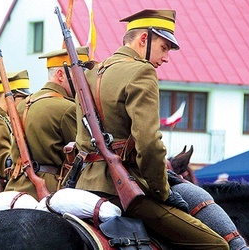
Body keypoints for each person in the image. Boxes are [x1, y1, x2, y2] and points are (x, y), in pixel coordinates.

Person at [74, 9, 229, 249]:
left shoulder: (91, 73)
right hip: (123, 189)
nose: (166, 57)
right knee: (216, 245)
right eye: (164, 47)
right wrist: (162, 191)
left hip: (85, 185)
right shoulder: (141, 71)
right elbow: (149, 143)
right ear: (143, 39)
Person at [4, 47, 89, 200]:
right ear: (61, 75)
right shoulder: (67, 109)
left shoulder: (24, 104)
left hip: (15, 188)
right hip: (49, 190)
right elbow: (82, 157)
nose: (83, 80)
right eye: (78, 74)